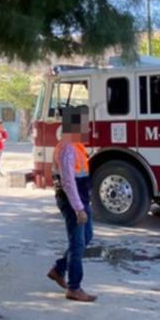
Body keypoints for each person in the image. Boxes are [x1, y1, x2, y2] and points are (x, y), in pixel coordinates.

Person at [46, 109, 95, 302]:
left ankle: (59, 269)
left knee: (87, 236)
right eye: (84, 124)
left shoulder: (76, 146)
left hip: (80, 199)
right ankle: (74, 288)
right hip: (73, 201)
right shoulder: (67, 148)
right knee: (77, 244)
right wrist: (78, 208)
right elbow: (68, 181)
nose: (88, 127)